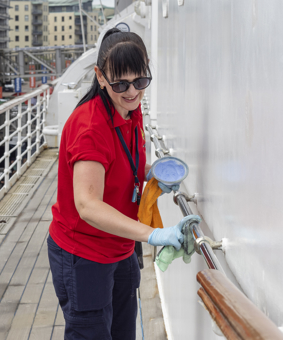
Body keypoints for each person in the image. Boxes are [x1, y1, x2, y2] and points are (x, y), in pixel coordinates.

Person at [47, 28, 195, 340]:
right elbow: (87, 206)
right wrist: (153, 234)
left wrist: (151, 172)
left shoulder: (129, 107)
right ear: (100, 77)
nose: (131, 91)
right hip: (83, 255)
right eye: (120, 83)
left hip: (120, 247)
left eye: (139, 81)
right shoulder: (89, 127)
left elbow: (122, 162)